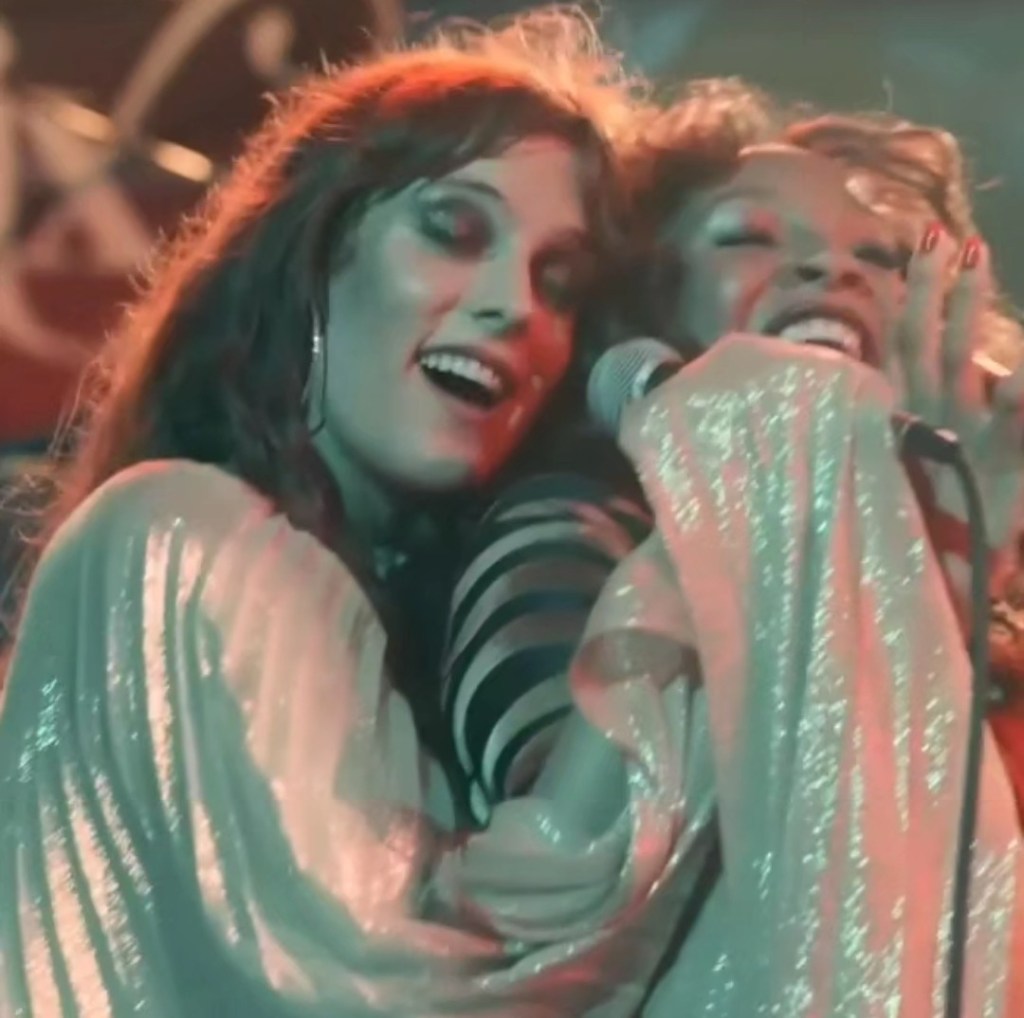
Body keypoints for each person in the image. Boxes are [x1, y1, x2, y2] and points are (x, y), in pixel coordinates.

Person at [0, 10, 710, 1016]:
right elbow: (379, 982)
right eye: (454, 230)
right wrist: (692, 572)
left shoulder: (432, 653)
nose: (515, 304)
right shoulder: (178, 535)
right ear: (316, 249)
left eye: (559, 282)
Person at [440, 82, 1024, 1014]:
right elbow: (570, 877)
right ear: (643, 304)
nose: (829, 271)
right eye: (749, 236)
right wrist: (917, 565)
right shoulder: (576, 534)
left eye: (877, 256)